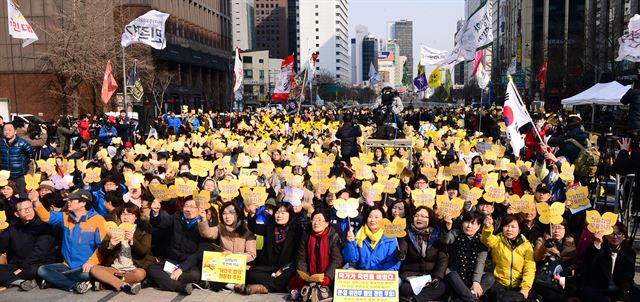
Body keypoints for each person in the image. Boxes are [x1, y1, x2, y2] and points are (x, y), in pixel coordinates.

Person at [33, 189, 106, 294]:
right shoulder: (65, 216)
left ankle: (55, 281)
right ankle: (74, 285)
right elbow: (46, 217)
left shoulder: (98, 220)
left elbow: (102, 247)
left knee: (86, 274)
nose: (68, 201)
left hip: (86, 267)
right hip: (67, 265)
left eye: (72, 199)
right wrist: (36, 201)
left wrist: (91, 262)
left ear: (83, 203)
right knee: (42, 270)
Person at [146, 198, 210, 295]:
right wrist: (155, 213)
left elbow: (199, 254)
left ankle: (159, 281)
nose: (188, 209)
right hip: (172, 260)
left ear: (200, 210)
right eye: (186, 206)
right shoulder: (176, 216)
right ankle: (179, 287)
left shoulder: (204, 225)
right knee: (152, 269)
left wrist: (181, 269)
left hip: (190, 264)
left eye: (192, 207)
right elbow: (159, 223)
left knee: (194, 276)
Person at [90, 203, 155, 294]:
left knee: (140, 274)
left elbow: (143, 252)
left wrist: (133, 241)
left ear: (135, 217)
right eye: (123, 214)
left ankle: (106, 284)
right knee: (94, 270)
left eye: (130, 214)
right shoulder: (114, 230)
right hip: (115, 268)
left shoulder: (143, 232)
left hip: (133, 269)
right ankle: (124, 286)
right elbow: (101, 250)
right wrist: (110, 245)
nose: (126, 217)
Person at [197, 202, 256, 292]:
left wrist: (233, 256)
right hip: (224, 266)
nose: (227, 216)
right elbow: (207, 233)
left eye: (231, 213)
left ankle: (218, 284)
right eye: (224, 213)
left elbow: (251, 255)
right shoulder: (221, 227)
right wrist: (203, 218)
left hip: (241, 266)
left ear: (237, 214)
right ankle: (232, 286)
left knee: (250, 275)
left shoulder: (247, 229)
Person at [245, 202, 302, 295]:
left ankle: (263, 287)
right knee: (250, 274)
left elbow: (296, 255)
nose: (279, 215)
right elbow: (253, 227)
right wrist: (252, 214)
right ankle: (270, 287)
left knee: (290, 276)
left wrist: (282, 270)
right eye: (277, 212)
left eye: (283, 213)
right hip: (268, 267)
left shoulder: (296, 231)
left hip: (286, 268)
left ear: (290, 215)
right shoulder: (270, 227)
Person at [0, 198, 56, 291]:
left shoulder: (43, 224)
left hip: (40, 262)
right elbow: (2, 245)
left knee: (34, 270)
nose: (28, 211)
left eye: (30, 207)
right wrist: (2, 231)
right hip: (18, 263)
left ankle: (18, 279)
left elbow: (40, 251)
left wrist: (22, 267)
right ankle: (20, 282)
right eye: (24, 209)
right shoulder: (13, 226)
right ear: (17, 214)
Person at [397, 206, 448, 301]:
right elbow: (403, 248)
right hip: (411, 275)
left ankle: (414, 299)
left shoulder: (437, 234)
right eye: (416, 215)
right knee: (405, 288)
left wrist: (437, 276)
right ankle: (418, 298)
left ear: (430, 219)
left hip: (430, 276)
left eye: (424, 216)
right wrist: (401, 254)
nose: (419, 218)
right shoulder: (406, 233)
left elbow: (443, 258)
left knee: (442, 286)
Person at [482, 214, 536, 301]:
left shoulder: (526, 245)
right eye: (506, 226)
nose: (509, 229)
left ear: (519, 230)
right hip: (499, 283)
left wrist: (525, 288)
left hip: (518, 285)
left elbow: (529, 268)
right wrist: (488, 228)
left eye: (513, 227)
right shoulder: (498, 240)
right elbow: (486, 239)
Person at [443, 211, 494, 302]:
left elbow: (480, 262)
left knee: (490, 277)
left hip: (473, 275)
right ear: (462, 223)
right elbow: (446, 240)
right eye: (466, 222)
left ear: (478, 226)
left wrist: (476, 281)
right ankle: (472, 299)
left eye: (473, 223)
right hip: (457, 275)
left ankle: (467, 297)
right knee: (449, 273)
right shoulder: (456, 233)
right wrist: (448, 227)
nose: (469, 226)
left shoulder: (482, 240)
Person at [579, 222, 636, 302]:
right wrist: (597, 243)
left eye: (619, 233)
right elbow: (588, 264)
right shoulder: (597, 247)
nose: (615, 237)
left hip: (618, 289)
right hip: (597, 288)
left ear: (624, 237)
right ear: (606, 236)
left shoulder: (629, 252)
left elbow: (628, 277)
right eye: (612, 233)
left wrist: (622, 297)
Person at [292, 208, 343, 297]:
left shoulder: (333, 237)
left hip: (327, 276)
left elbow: (336, 261)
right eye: (314, 219)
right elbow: (301, 258)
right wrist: (303, 274)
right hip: (310, 275)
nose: (316, 223)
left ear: (327, 223)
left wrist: (328, 276)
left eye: (320, 220)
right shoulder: (306, 235)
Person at [343, 205, 400, 271]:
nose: (373, 220)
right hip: (362, 274)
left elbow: (392, 262)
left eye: (376, 217)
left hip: (382, 276)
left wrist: (380, 277)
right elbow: (352, 259)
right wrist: (350, 243)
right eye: (370, 217)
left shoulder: (390, 237)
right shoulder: (358, 234)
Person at [532, 219, 576, 301]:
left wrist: (570, 269)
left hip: (562, 280)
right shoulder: (541, 240)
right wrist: (545, 247)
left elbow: (576, 262)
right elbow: (537, 257)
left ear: (565, 229)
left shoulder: (571, 242)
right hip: (544, 279)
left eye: (559, 228)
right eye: (553, 227)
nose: (556, 230)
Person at [0, 122, 35, 192]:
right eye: (5, 130)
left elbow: (31, 154)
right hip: (4, 176)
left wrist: (23, 162)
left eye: (9, 130)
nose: (7, 132)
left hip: (19, 176)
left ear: (15, 131)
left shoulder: (22, 143)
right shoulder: (1, 142)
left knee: (20, 196)